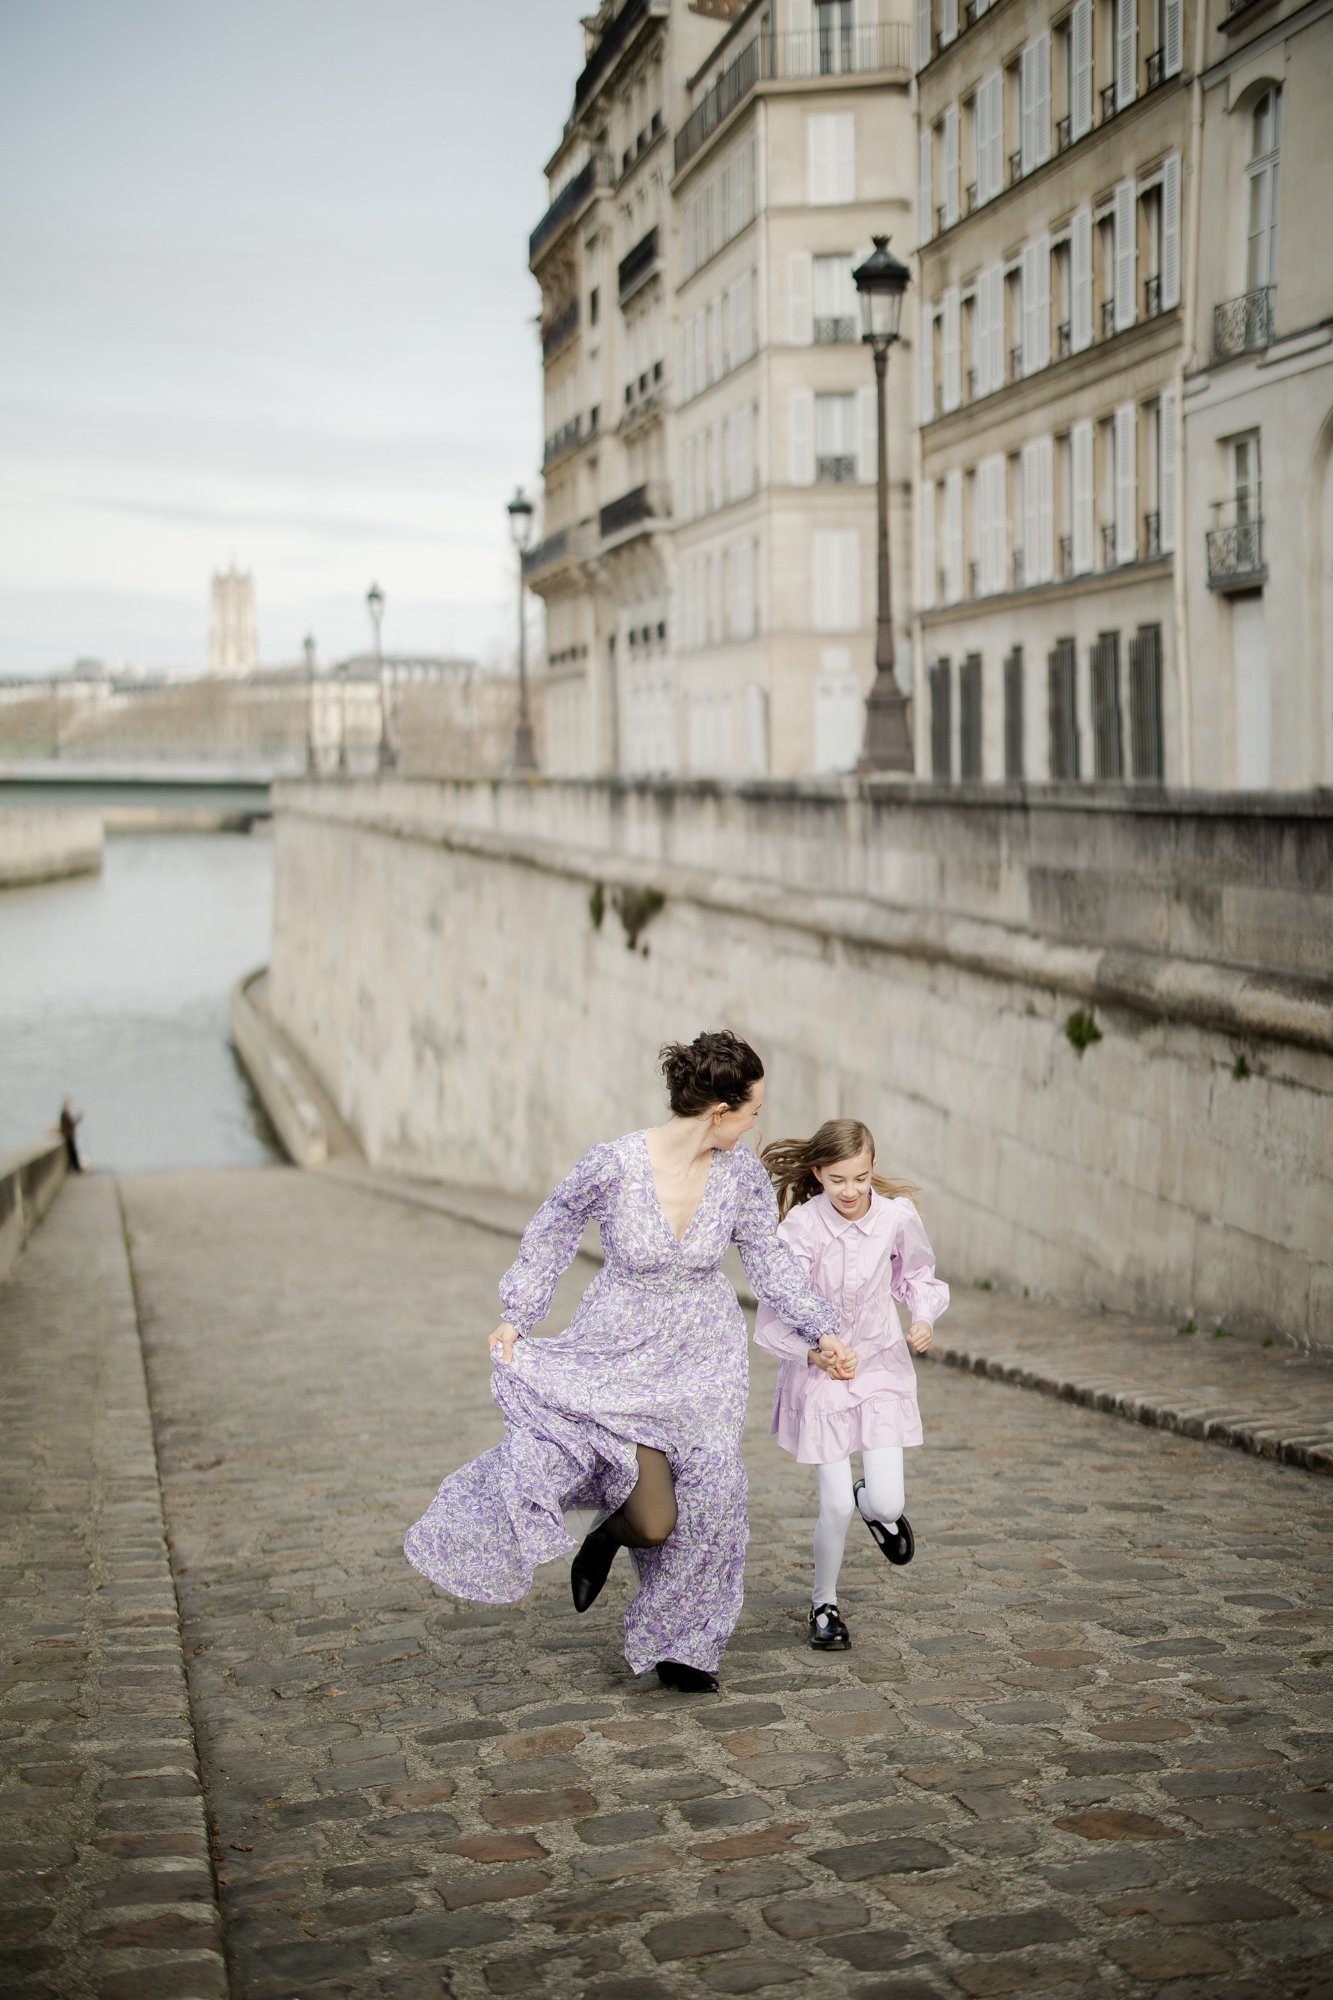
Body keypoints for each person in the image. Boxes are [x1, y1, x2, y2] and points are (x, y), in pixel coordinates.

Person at [404, 1031, 851, 1693]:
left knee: (714, 1499)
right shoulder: (613, 1164)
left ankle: (686, 1649)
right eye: (752, 1110)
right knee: (653, 1520)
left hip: (704, 1358)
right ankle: (609, 1533)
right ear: (719, 1111)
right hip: (618, 1353)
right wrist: (516, 1313)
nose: (757, 1123)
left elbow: (770, 1265)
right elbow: (554, 1221)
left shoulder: (741, 1177)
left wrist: (821, 1329)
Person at [755, 1118, 948, 1652]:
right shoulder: (800, 1228)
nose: (850, 1190)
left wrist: (923, 1317)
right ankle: (824, 1603)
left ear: (873, 1170)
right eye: (837, 1178)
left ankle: (873, 1505)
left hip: (881, 1365)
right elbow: (773, 1318)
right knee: (834, 1505)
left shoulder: (894, 1218)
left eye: (860, 1178)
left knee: (886, 1504)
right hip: (822, 1377)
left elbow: (918, 1276)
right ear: (817, 1174)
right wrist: (814, 1354)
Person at [59, 1099, 83, 1172]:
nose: (69, 1107)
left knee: (72, 1154)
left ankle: (73, 1168)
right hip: (68, 1138)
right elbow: (72, 1123)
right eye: (68, 1105)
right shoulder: (64, 1114)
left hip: (69, 1137)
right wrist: (79, 1115)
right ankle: (76, 1169)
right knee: (72, 1154)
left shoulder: (66, 1114)